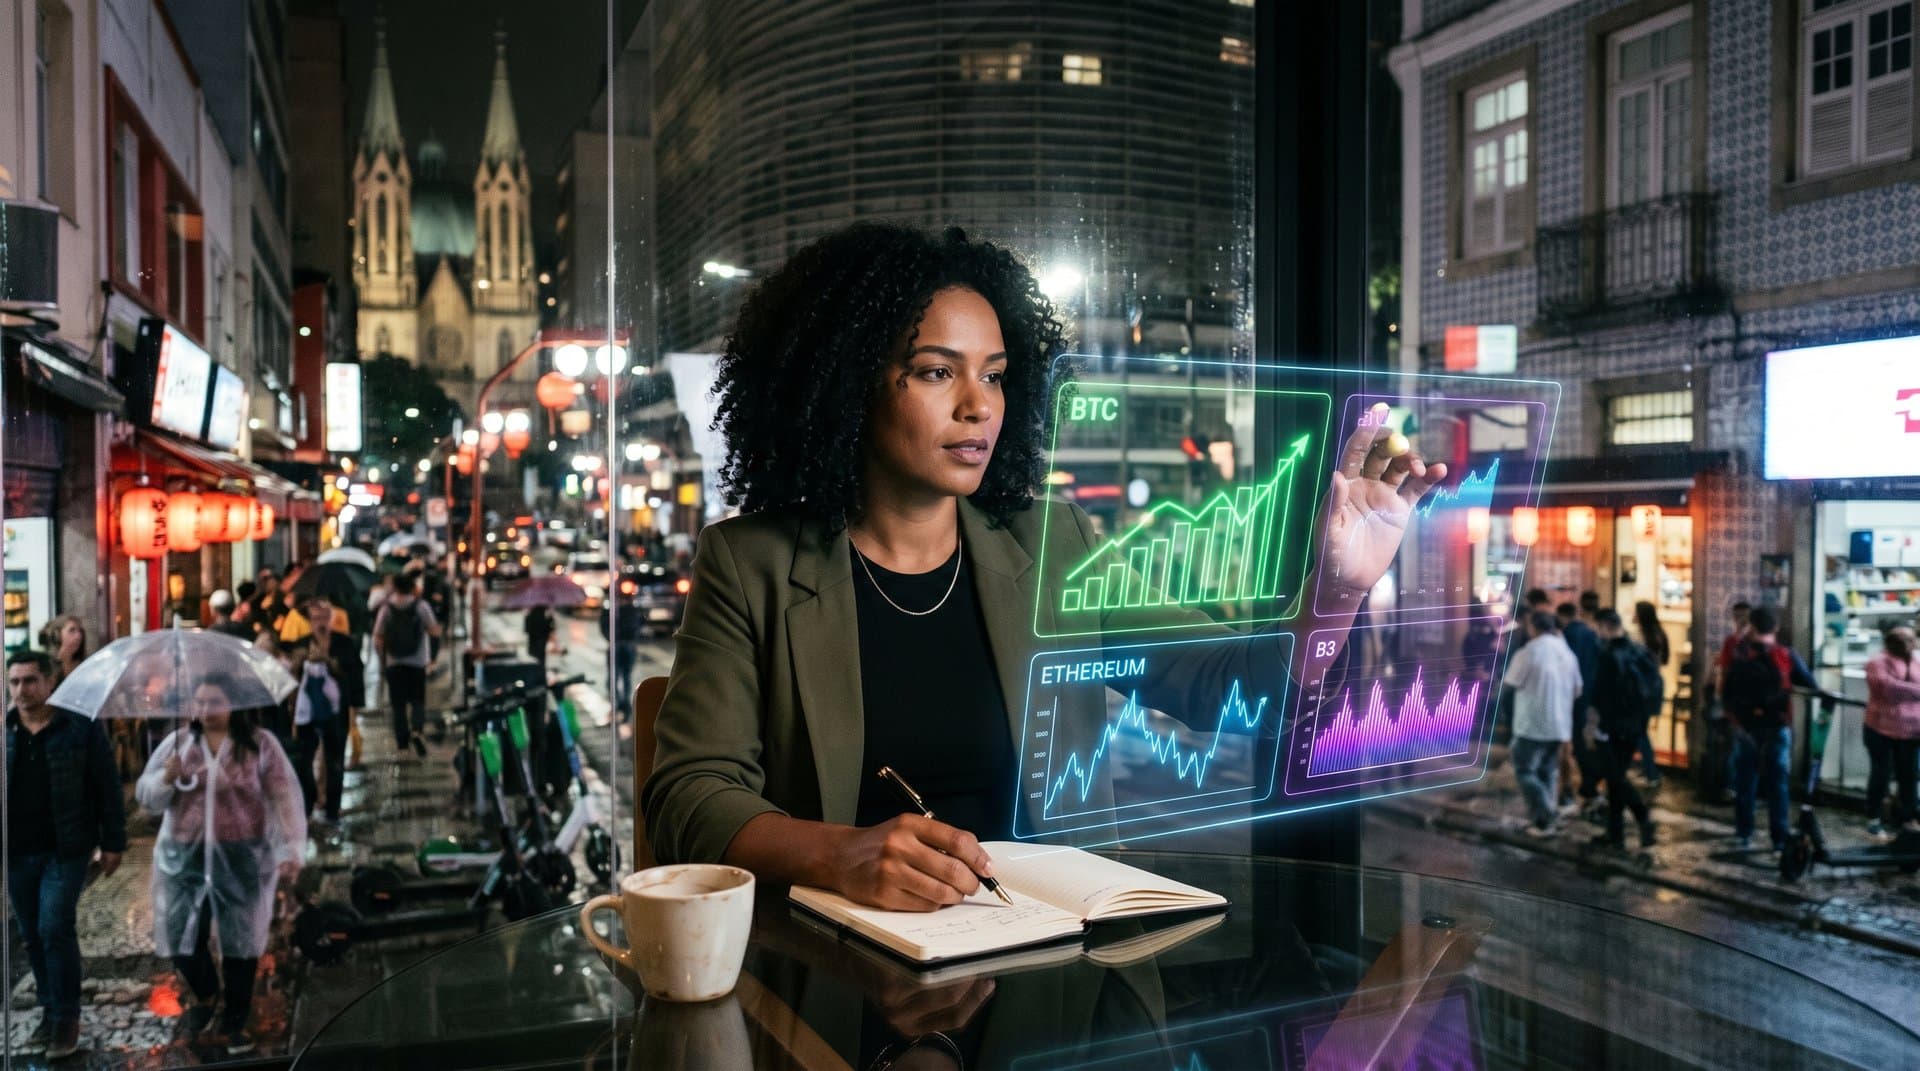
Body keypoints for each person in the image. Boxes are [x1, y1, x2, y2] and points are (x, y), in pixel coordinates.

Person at [640, 222, 1446, 911]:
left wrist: (1339, 589)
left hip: (1048, 972)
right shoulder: (752, 564)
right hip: (838, 974)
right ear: (848, 386)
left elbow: (1227, 683)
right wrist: (841, 854)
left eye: (993, 373)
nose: (978, 403)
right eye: (935, 370)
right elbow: (690, 797)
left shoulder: (1051, 540)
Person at [136, 675, 304, 1055]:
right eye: (199, 702)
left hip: (242, 857)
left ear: (234, 704)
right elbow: (146, 798)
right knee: (181, 938)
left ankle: (235, 1019)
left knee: (241, 944)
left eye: (214, 701)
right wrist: (167, 776)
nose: (205, 709)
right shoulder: (179, 746)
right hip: (183, 859)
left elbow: (284, 796)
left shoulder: (260, 746)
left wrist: (291, 848)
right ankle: (207, 993)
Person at [5, 650, 127, 1059]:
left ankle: (67, 1018)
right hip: (17, 852)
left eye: (30, 681)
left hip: (65, 847)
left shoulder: (79, 727)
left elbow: (106, 784)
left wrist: (114, 841)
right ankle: (48, 1009)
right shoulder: (5, 730)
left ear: (49, 681)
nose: (22, 690)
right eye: (15, 682)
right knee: (32, 935)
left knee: (55, 926)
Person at [1718, 606, 1822, 851]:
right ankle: (1779, 836)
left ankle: (1744, 832)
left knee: (1746, 781)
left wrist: (1737, 717)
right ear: (1775, 628)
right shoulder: (1785, 655)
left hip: (1746, 728)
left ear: (1751, 625)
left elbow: (1726, 691)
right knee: (1778, 784)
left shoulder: (1738, 653)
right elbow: (1810, 684)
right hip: (1777, 725)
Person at [1586, 608, 1659, 850]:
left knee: (1615, 776)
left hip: (1614, 725)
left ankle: (1642, 817)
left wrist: (1593, 724)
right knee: (1615, 776)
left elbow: (1600, 695)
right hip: (1636, 725)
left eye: (1598, 628)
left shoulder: (1609, 655)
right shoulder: (1638, 649)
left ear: (1605, 626)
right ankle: (1614, 834)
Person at [1503, 611, 1581, 836]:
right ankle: (1544, 822)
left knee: (1525, 771)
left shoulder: (1528, 653)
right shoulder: (1568, 654)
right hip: (1559, 725)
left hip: (1531, 724)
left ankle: (1546, 814)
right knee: (1548, 771)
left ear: (1533, 628)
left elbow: (1510, 684)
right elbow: (1577, 689)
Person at [374, 573, 441, 757]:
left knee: (398, 705)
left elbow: (378, 637)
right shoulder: (420, 606)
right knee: (418, 701)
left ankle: (402, 744)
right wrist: (432, 657)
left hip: (393, 663)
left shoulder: (387, 608)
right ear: (412, 587)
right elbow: (434, 631)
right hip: (417, 662)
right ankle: (417, 731)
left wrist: (382, 660)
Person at [1863, 625, 1920, 839]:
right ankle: (1874, 818)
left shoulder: (1916, 661)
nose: (1910, 644)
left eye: (1911, 639)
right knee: (1881, 773)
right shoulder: (1877, 662)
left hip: (1912, 731)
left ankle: (1908, 819)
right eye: (1904, 640)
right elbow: (1887, 689)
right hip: (1880, 729)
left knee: (1909, 775)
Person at [1557, 601, 1603, 811]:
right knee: (1580, 739)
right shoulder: (1590, 633)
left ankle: (1584, 786)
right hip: (1588, 693)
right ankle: (1588, 785)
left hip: (1572, 695)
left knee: (1572, 742)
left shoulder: (1568, 636)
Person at [1631, 600, 1669, 786]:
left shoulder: (1643, 638)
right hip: (1653, 685)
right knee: (1640, 729)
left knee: (1639, 731)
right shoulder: (1657, 634)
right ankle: (1647, 770)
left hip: (1644, 687)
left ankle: (1651, 772)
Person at [39, 614, 89, 688]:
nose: (78, 636)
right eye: (72, 630)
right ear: (58, 634)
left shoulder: (84, 663)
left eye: (80, 631)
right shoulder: (48, 664)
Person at [525, 601, 556, 667]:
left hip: (533, 642)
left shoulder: (529, 617)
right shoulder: (545, 619)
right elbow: (551, 628)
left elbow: (526, 630)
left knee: (534, 661)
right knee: (541, 661)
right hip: (542, 641)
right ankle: (541, 673)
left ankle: (537, 672)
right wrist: (551, 618)